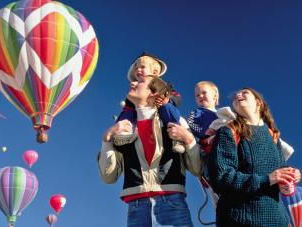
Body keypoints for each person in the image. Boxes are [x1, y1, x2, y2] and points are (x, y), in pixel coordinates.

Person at [98, 77, 202, 227]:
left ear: (153, 93)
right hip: (136, 208)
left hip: (172, 205)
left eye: (139, 82)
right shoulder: (124, 128)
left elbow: (197, 169)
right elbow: (109, 177)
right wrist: (107, 139)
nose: (132, 83)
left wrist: (189, 140)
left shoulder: (175, 121)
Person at [207, 87, 301, 227]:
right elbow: (221, 178)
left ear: (259, 103)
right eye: (235, 95)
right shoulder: (228, 131)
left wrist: (291, 174)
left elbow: (281, 171)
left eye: (244, 92)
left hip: (278, 220)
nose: (238, 95)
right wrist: (267, 179)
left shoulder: (273, 137)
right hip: (238, 220)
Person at [115, 52, 184, 152]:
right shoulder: (135, 89)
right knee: (127, 111)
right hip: (139, 114)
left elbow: (177, 97)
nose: (138, 70)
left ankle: (176, 137)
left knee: (167, 108)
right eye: (136, 68)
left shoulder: (163, 85)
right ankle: (124, 132)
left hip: (160, 113)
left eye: (142, 67)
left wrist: (167, 99)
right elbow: (129, 106)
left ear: (155, 72)